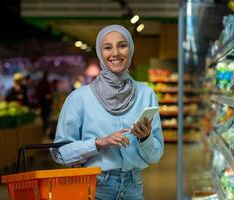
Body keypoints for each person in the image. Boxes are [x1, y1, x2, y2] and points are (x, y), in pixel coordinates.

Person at [51, 25, 164, 200]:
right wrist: (98, 143)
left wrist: (145, 138)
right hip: (95, 186)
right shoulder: (80, 98)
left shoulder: (146, 94)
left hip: (134, 186)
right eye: (107, 47)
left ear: (131, 49)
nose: (116, 53)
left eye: (122, 45)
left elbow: (155, 156)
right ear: (99, 52)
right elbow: (60, 152)